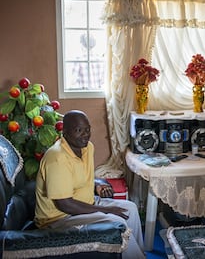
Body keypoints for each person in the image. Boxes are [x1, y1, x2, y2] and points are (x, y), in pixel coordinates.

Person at [34, 110, 145, 259]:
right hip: (59, 218)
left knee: (130, 208)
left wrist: (97, 183)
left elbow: (79, 177)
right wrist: (105, 210)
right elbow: (64, 204)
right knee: (117, 222)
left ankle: (138, 254)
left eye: (87, 130)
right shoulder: (57, 158)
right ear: (65, 131)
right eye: (78, 130)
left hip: (86, 203)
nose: (85, 134)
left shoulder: (87, 148)